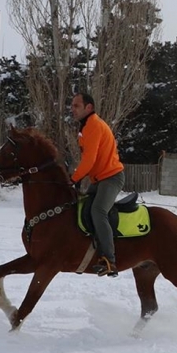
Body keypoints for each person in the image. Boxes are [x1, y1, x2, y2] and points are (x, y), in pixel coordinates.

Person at [70, 92, 125, 277]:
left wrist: (74, 178)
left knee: (98, 211)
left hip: (111, 178)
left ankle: (110, 260)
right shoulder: (86, 127)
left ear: (89, 107)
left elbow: (89, 160)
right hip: (98, 179)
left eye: (77, 105)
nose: (73, 109)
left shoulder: (93, 125)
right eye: (72, 105)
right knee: (79, 208)